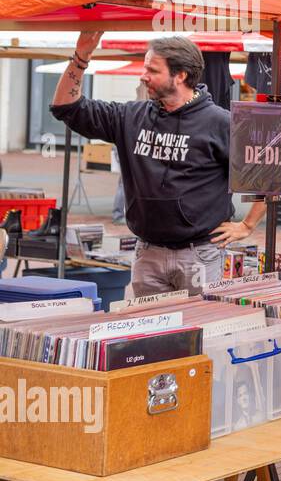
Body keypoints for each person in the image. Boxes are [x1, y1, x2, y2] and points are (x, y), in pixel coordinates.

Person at [49, 31, 265, 297]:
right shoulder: (130, 116)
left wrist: (247, 225)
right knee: (149, 336)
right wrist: (82, 57)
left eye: (152, 70)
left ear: (181, 75)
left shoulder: (220, 122)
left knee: (202, 333)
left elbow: (265, 174)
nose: (143, 75)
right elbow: (65, 107)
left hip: (200, 254)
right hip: (147, 253)